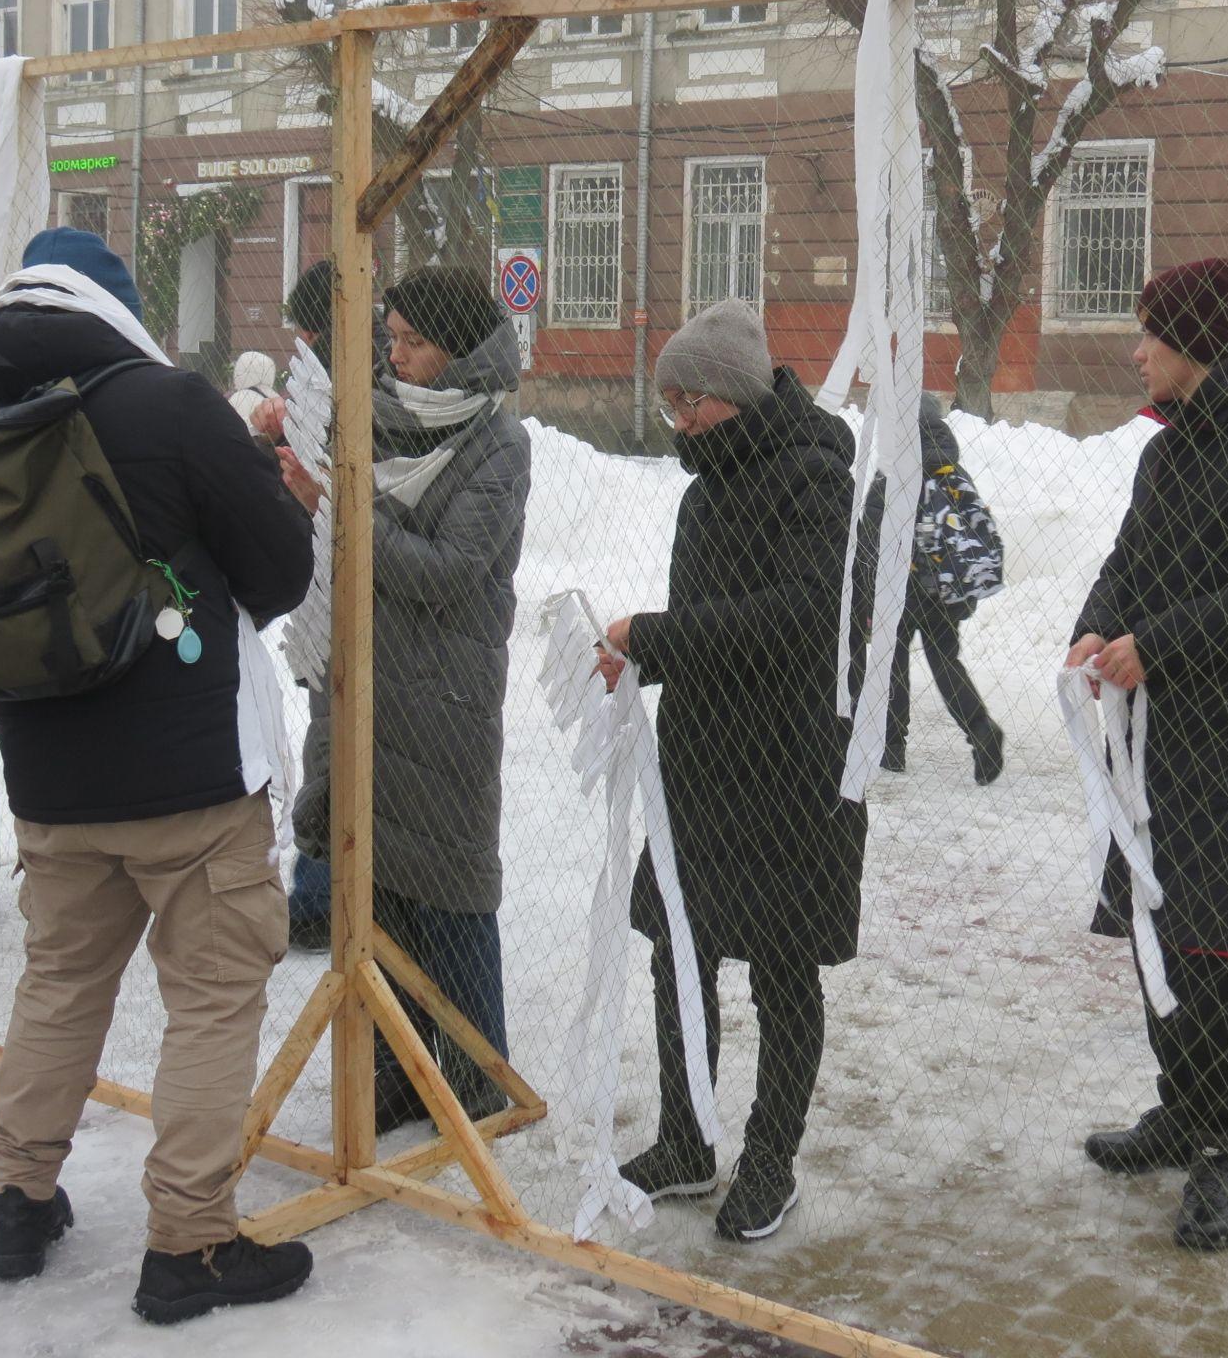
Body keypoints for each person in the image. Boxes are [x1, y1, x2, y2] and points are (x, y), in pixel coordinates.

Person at [0, 227, 316, 1321]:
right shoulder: (167, 405)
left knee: (61, 984)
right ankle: (190, 1244)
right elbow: (281, 569)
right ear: (115, 309)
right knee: (212, 1002)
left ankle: (18, 1201)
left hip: (48, 777)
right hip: (190, 780)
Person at [597, 299, 867, 1244]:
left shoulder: (818, 483)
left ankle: (770, 1160)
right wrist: (645, 655)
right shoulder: (704, 490)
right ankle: (684, 1140)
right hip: (704, 764)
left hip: (794, 766)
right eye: (670, 400)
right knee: (681, 950)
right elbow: (712, 625)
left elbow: (800, 620)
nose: (677, 418)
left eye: (690, 399)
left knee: (785, 970)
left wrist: (662, 635)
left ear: (736, 395)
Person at [1069, 259, 1228, 1254]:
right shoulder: (1166, 457)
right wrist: (1096, 627)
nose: (1135, 354)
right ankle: (1178, 1109)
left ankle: (1224, 1147)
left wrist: (1156, 645)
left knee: (1220, 947)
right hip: (1160, 737)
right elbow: (1130, 559)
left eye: (1152, 337)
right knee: (1159, 929)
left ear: (1198, 346)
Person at [280, 267, 532, 1131]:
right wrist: (315, 499)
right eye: (389, 340)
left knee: (452, 889)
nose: (395, 358)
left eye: (413, 342)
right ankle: (394, 1070)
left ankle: (472, 1074)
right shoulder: (374, 423)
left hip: (448, 698)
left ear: (458, 349)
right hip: (369, 689)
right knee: (378, 888)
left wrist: (345, 510)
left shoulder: (499, 444)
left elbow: (450, 574)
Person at [276, 257, 393, 948]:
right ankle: (339, 890)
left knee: (332, 743)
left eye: (307, 330)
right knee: (342, 741)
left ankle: (320, 898)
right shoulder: (376, 371)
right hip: (339, 580)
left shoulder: (352, 381)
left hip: (344, 580)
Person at [883, 395, 1004, 785]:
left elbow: (870, 529)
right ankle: (981, 730)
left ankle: (892, 746)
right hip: (944, 591)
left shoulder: (898, 472)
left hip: (901, 588)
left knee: (891, 663)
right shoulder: (952, 470)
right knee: (945, 662)